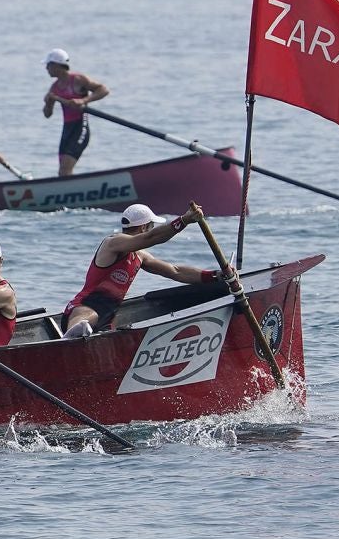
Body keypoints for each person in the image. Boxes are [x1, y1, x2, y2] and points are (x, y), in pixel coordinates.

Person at [62, 204, 219, 339]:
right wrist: (183, 220)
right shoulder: (113, 243)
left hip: (106, 321)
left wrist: (214, 275)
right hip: (80, 311)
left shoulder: (140, 256)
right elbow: (149, 238)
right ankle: (72, 335)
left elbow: (176, 271)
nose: (152, 229)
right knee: (90, 314)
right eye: (151, 226)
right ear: (144, 227)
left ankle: (83, 336)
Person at [43, 49, 110, 176]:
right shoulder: (54, 88)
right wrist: (48, 104)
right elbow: (47, 114)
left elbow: (103, 90)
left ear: (57, 65)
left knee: (65, 169)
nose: (46, 68)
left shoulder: (78, 79)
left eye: (49, 65)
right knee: (63, 173)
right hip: (67, 130)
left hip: (80, 127)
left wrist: (84, 100)